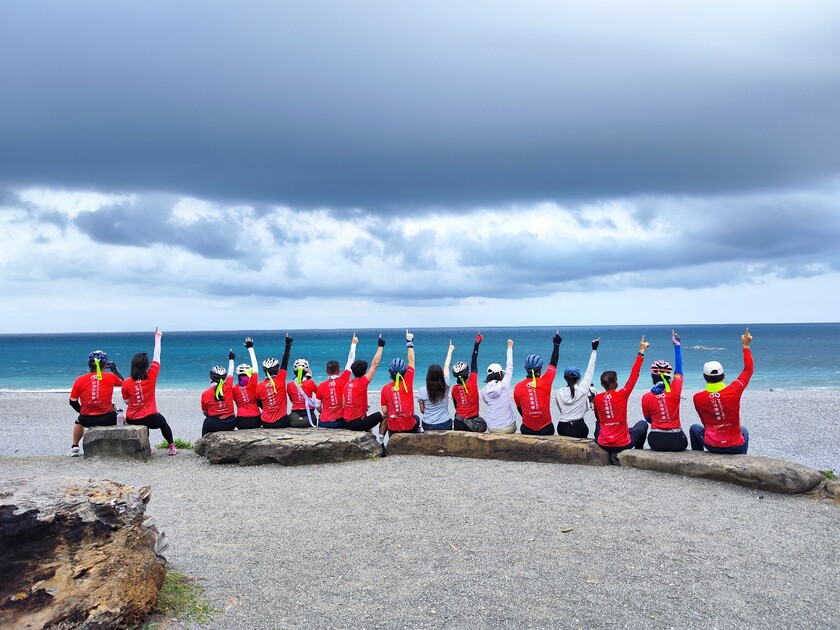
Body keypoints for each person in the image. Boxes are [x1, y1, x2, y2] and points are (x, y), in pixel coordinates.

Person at [690, 327, 753, 454]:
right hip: (736, 446)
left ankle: (698, 458)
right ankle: (742, 459)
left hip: (712, 446)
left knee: (694, 428)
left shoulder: (698, 397)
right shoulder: (734, 390)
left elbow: (704, 422)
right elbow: (748, 370)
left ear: (704, 378)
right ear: (723, 376)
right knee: (744, 431)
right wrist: (745, 346)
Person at [121, 327, 177, 455]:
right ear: (146, 366)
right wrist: (158, 337)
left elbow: (126, 401)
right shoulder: (151, 376)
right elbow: (157, 356)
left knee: (144, 427)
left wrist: (136, 403)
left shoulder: (127, 382)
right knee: (163, 424)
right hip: (151, 416)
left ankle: (147, 449)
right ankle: (172, 447)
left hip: (133, 418)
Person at [594, 336, 649, 454]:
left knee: (598, 424)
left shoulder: (597, 398)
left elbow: (598, 419)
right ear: (616, 383)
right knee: (642, 425)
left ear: (602, 385)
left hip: (603, 444)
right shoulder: (622, 394)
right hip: (623, 444)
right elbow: (634, 376)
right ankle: (637, 453)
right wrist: (641, 352)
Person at [68, 349, 123, 456]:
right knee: (120, 414)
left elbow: (72, 401)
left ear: (89, 364)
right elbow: (123, 383)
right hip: (107, 418)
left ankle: (75, 446)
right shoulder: (111, 377)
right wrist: (115, 370)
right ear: (104, 365)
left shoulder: (80, 379)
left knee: (78, 421)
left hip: (86, 420)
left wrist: (82, 412)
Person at [642, 330, 688, 451]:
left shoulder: (646, 397)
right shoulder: (675, 390)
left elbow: (648, 420)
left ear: (652, 377)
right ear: (669, 377)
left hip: (656, 440)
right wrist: (677, 345)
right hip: (678, 440)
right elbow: (679, 369)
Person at [513, 330, 562, 435]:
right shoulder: (546, 381)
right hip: (546, 429)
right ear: (540, 370)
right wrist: (556, 344)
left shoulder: (518, 387)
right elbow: (553, 363)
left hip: (527, 429)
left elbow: (520, 409)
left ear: (526, 369)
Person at [555, 337, 600, 438]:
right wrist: (594, 350)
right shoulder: (582, 390)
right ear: (578, 378)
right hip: (579, 428)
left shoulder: (559, 392)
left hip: (562, 427)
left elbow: (561, 410)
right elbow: (590, 370)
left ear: (564, 378)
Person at [380, 330, 420, 435]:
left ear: (390, 372)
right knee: (417, 419)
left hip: (393, 428)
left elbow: (384, 411)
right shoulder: (408, 382)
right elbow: (411, 361)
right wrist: (409, 343)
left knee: (388, 420)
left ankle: (381, 441)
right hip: (409, 426)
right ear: (405, 371)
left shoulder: (385, 388)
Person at [343, 335, 387, 431]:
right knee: (385, 414)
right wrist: (380, 347)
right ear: (364, 372)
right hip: (357, 424)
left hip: (346, 422)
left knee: (367, 415)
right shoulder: (362, 383)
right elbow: (375, 364)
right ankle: (381, 440)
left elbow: (344, 404)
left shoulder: (347, 385)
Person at [315, 334, 359, 428]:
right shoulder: (344, 379)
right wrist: (353, 344)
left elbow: (317, 405)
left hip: (324, 422)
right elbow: (350, 361)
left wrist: (324, 412)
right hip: (339, 421)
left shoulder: (321, 386)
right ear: (339, 371)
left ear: (326, 371)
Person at [256, 333, 294, 428]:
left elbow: (259, 403)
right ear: (277, 369)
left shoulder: (259, 386)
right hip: (281, 422)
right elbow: (285, 361)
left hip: (265, 422)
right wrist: (288, 345)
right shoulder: (280, 379)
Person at [451, 331, 486, 432]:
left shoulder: (454, 389)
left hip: (459, 422)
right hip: (473, 422)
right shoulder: (473, 382)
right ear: (467, 373)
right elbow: (474, 361)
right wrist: (477, 344)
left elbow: (456, 406)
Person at [481, 339, 517, 434]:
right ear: (500, 374)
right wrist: (509, 348)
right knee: (513, 423)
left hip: (492, 428)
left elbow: (487, 402)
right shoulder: (504, 385)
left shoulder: (484, 391)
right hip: (508, 428)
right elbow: (510, 367)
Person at [417, 341, 455, 431]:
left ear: (428, 376)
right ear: (441, 375)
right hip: (444, 423)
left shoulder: (422, 391)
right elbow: (446, 366)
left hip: (428, 424)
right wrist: (450, 351)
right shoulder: (446, 385)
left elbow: (422, 410)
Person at [201, 350, 236, 436]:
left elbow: (205, 412)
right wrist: (231, 359)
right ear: (224, 377)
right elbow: (231, 372)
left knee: (206, 423)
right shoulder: (228, 386)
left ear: (211, 377)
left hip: (214, 424)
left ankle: (203, 447)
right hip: (230, 423)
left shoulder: (206, 393)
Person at [233, 337, 262, 430]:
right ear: (249, 374)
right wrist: (250, 348)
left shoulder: (234, 389)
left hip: (241, 421)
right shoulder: (253, 384)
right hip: (256, 419)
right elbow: (255, 366)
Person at [287, 358, 320, 427]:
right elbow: (319, 393)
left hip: (294, 417)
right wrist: (310, 379)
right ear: (306, 371)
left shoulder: (289, 385)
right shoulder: (311, 382)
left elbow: (292, 400)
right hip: (309, 416)